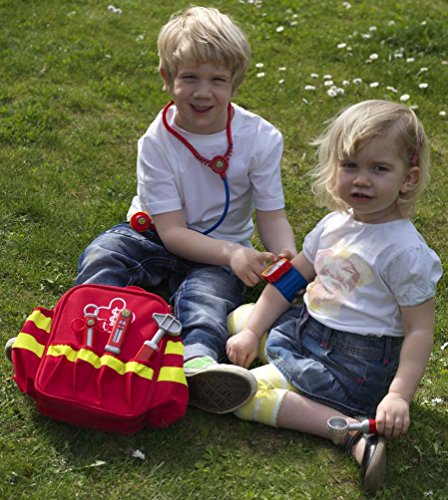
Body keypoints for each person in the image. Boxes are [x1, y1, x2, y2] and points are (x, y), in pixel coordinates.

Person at [74, 6, 297, 414]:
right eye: (190, 77)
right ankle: (82, 337)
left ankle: (197, 364)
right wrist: (234, 254)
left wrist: (288, 262)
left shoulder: (261, 139)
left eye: (217, 80)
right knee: (104, 255)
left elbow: (272, 215)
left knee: (207, 297)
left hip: (221, 248)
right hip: (153, 234)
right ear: (167, 78)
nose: (202, 92)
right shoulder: (156, 142)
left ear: (235, 82)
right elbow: (173, 233)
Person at [226, 99, 443, 491]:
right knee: (241, 318)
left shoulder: (404, 252)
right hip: (309, 330)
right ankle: (261, 356)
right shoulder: (334, 225)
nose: (361, 180)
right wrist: (250, 332)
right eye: (350, 165)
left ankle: (347, 432)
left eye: (379, 169)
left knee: (246, 394)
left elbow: (418, 331)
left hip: (354, 365)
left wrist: (398, 395)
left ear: (408, 179)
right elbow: (289, 281)